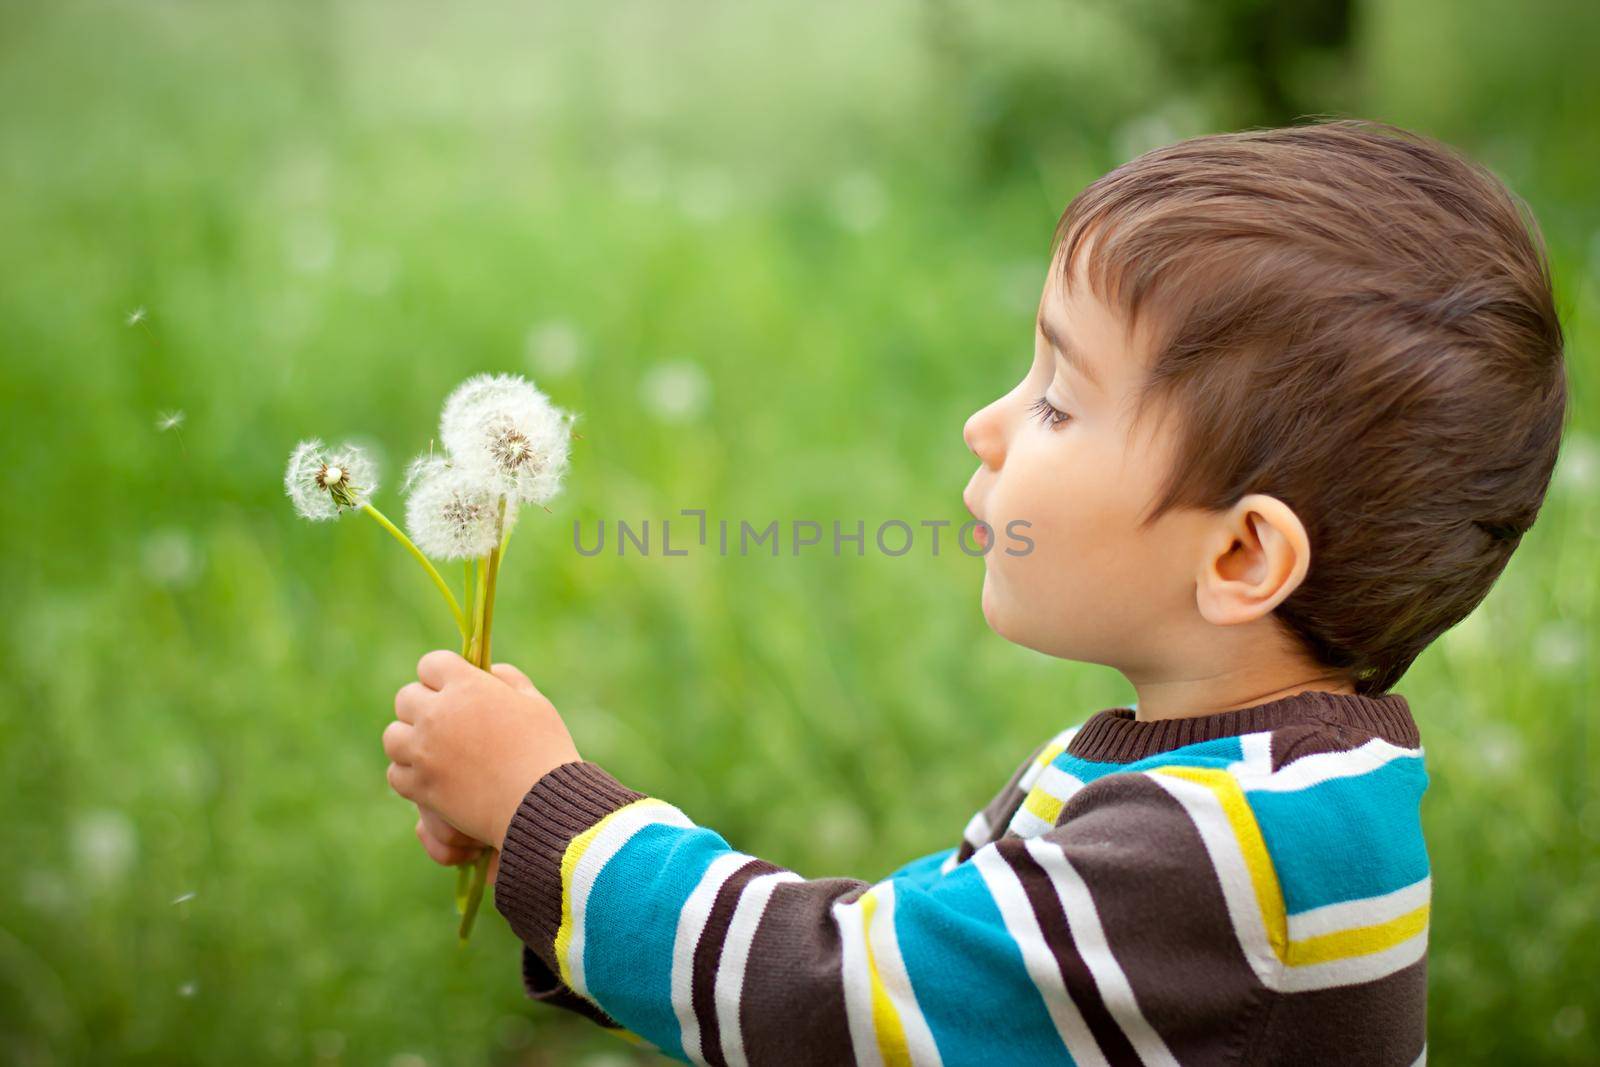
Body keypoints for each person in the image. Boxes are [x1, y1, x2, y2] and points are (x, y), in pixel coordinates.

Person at [381, 120, 1567, 1065]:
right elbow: (915, 998)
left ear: (1242, 559)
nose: (987, 424)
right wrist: (544, 861)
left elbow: (828, 1001)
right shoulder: (1264, 792)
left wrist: (546, 809)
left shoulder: (1220, 847)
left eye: (1058, 399)